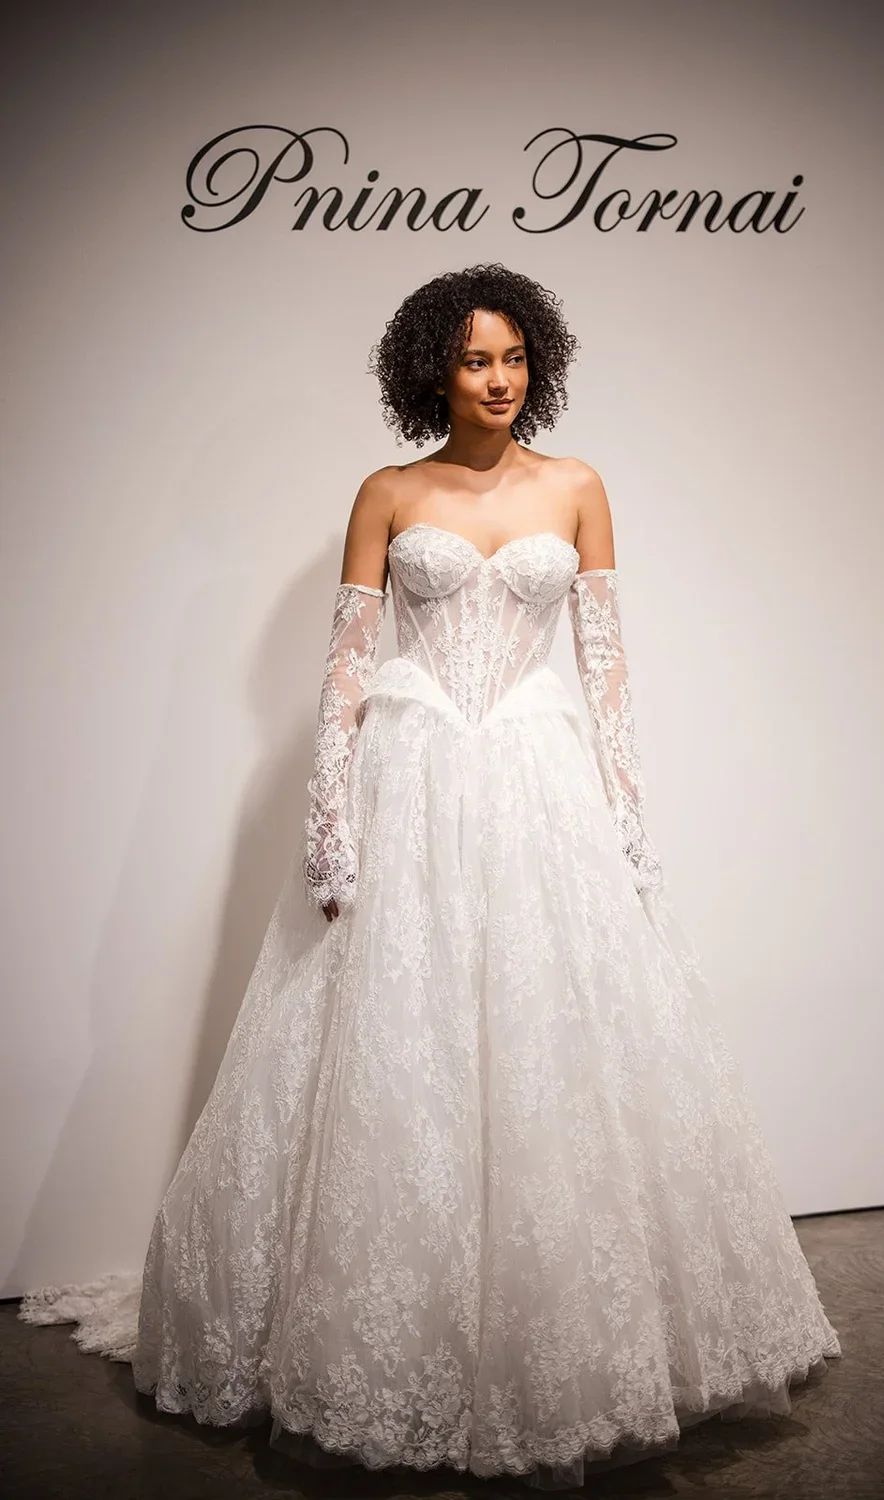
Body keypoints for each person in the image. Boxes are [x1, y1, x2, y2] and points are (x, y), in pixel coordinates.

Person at [20, 263, 840, 1490]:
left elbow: (606, 668)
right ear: (432, 373)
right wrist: (329, 818)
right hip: (410, 775)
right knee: (397, 1042)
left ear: (536, 363)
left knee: (552, 1040)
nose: (497, 379)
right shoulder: (389, 492)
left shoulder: (578, 486)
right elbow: (346, 665)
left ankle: (555, 1340)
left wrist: (628, 820)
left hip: (536, 777)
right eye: (473, 360)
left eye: (512, 357)